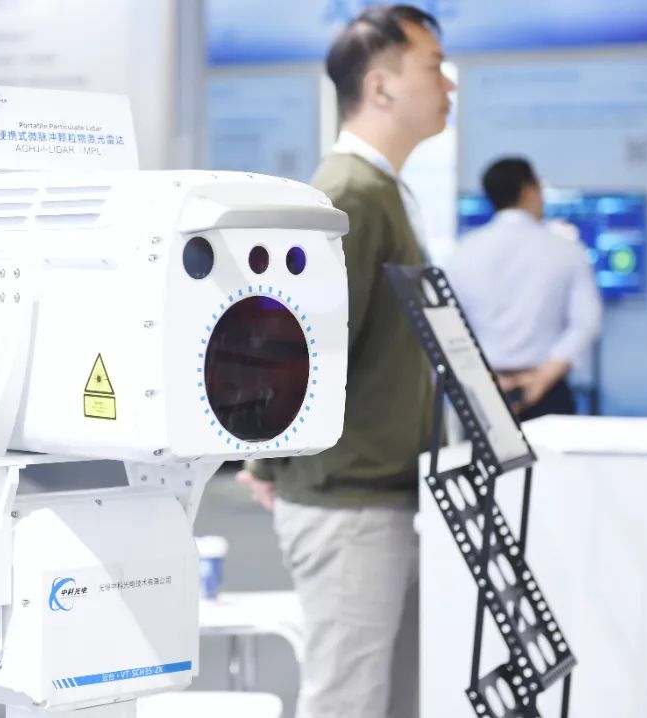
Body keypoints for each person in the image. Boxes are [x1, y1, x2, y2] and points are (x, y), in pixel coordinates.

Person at [237, 6, 455, 717]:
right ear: (381, 86)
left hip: (381, 495)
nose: (449, 83)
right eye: (433, 67)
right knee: (347, 703)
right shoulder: (350, 194)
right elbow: (292, 344)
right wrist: (266, 460)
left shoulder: (380, 190)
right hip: (348, 502)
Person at [444, 158, 602, 420]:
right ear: (529, 190)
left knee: (476, 450)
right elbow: (586, 323)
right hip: (548, 392)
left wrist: (485, 377)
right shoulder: (566, 250)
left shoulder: (462, 252)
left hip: (484, 391)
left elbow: (450, 325)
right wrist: (541, 380)